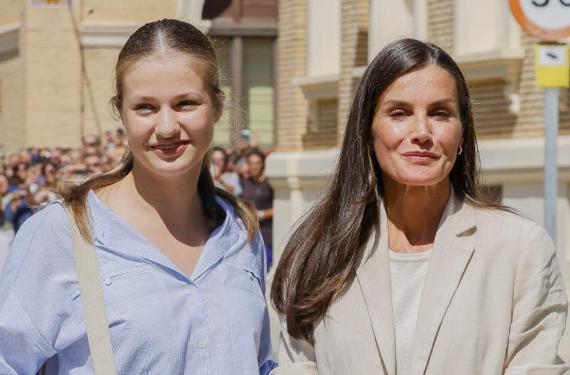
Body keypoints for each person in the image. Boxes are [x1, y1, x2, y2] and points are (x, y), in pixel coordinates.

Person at [270, 38, 568, 375]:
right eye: (399, 113)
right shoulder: (318, 249)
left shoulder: (519, 249)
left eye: (440, 114)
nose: (422, 132)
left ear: (461, 133)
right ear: (368, 129)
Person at [0, 19, 276, 374]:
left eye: (186, 104)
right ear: (121, 111)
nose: (166, 127)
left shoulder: (240, 232)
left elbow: (258, 362)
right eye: (145, 107)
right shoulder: (64, 233)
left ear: (217, 105)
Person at [240, 149, 274, 269]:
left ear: (263, 164)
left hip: (266, 237)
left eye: (257, 163)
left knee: (264, 269)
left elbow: (278, 208)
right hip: (247, 236)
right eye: (251, 163)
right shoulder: (244, 183)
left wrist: (261, 214)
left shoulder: (270, 184)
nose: (254, 167)